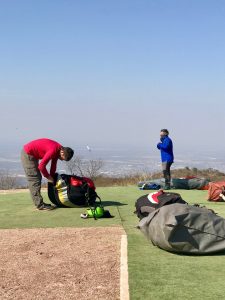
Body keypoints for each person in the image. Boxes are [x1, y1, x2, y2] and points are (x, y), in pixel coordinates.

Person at [21, 138, 74, 210]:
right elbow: (41, 166)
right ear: (62, 152)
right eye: (62, 158)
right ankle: (39, 205)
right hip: (28, 154)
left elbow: (53, 165)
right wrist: (48, 177)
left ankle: (39, 203)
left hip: (32, 154)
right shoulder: (53, 150)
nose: (61, 159)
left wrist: (53, 177)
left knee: (37, 177)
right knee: (35, 179)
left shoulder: (58, 150)